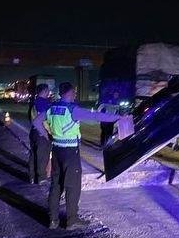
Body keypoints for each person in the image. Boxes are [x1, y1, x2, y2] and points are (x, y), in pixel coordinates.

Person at [33, 82, 124, 229]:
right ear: (69, 93)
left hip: (56, 150)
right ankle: (72, 220)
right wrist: (118, 118)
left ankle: (53, 220)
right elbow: (96, 116)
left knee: (56, 185)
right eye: (74, 92)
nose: (75, 94)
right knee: (72, 186)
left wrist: (48, 135)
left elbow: (36, 122)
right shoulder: (72, 110)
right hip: (70, 153)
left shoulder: (51, 108)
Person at [28, 84, 52, 184]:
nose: (49, 93)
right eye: (48, 91)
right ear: (45, 91)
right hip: (42, 133)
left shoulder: (34, 102)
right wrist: (48, 133)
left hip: (33, 132)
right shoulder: (45, 103)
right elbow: (44, 120)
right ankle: (41, 178)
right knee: (42, 156)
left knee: (33, 155)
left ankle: (32, 177)